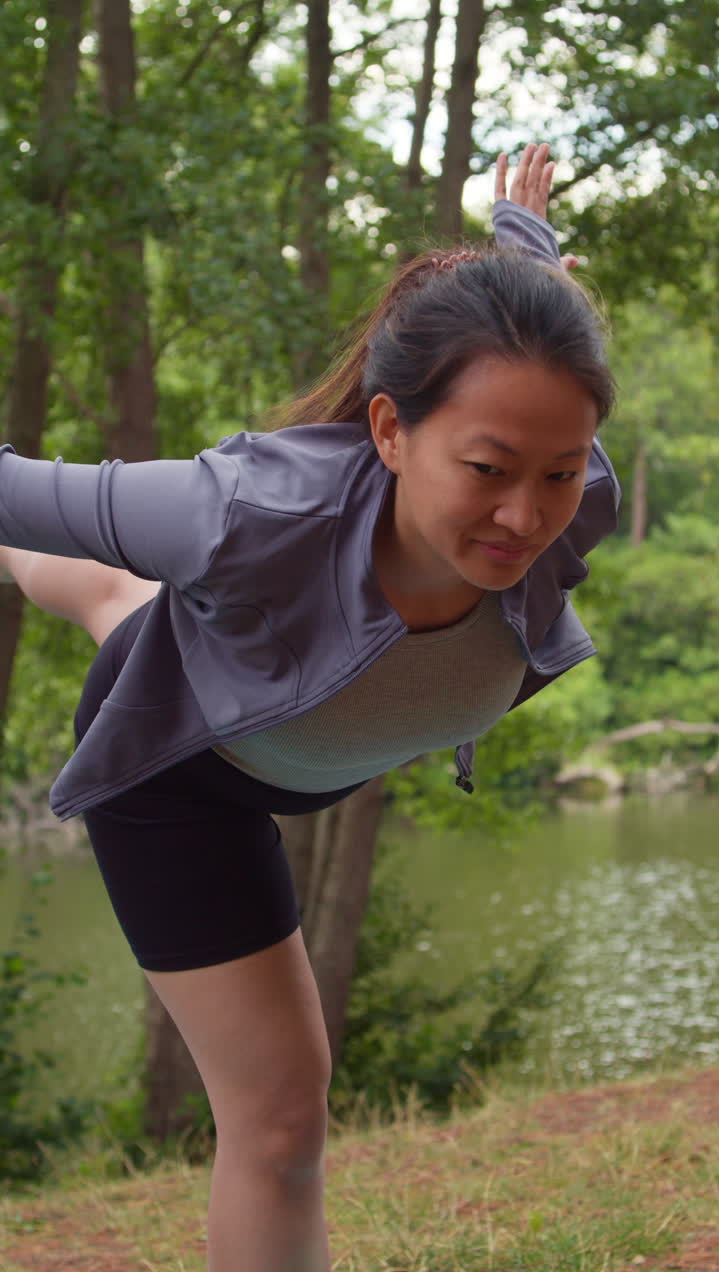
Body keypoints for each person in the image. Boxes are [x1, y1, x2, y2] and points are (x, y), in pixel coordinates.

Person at [0, 143, 619, 1271]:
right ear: (389, 430)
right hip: (182, 775)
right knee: (281, 1119)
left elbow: (535, 382)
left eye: (561, 473)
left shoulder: (577, 490)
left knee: (121, 599)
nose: (527, 517)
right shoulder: (243, 511)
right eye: (487, 471)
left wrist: (525, 249)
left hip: (279, 704)